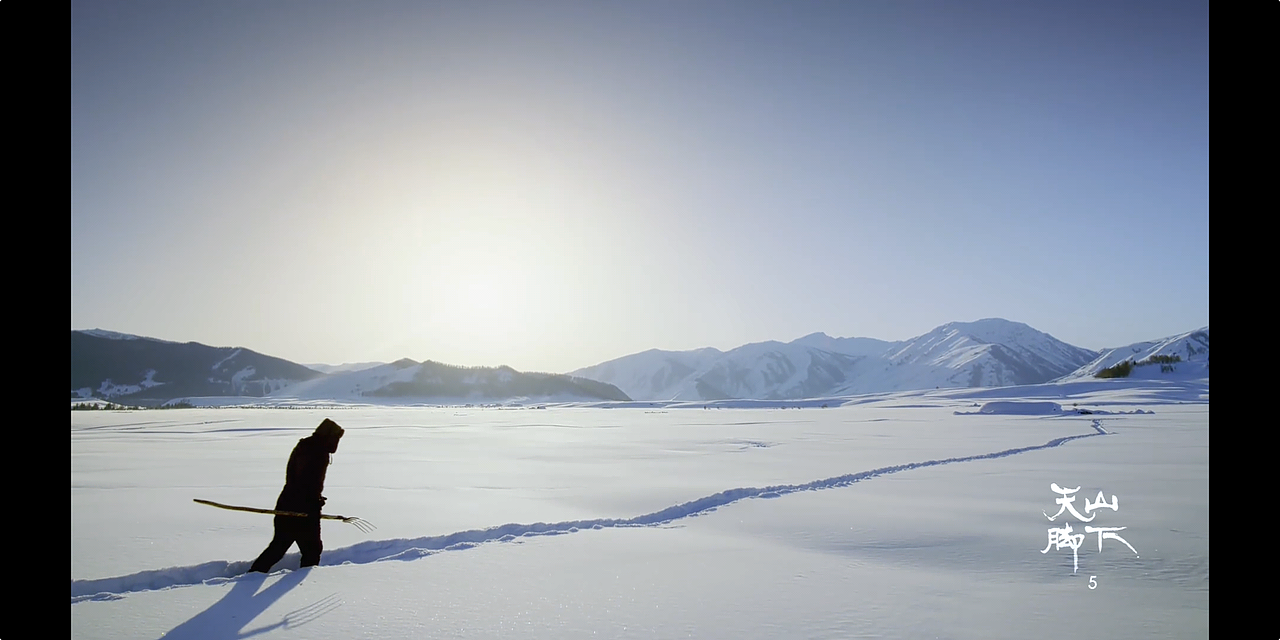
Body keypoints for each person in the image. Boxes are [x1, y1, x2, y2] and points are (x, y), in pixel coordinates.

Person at [249, 418, 344, 573]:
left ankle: (252, 575)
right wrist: (314, 502)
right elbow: (308, 481)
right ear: (329, 436)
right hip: (303, 509)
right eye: (336, 438)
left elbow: (298, 479)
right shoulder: (317, 452)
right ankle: (306, 582)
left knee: (279, 546)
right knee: (311, 550)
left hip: (287, 502)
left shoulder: (305, 446)